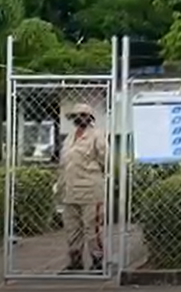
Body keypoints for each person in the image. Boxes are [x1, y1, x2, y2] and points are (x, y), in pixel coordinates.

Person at [57, 103, 107, 273]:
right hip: (70, 190)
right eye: (76, 116)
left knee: (91, 227)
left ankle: (98, 260)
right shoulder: (69, 138)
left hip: (89, 190)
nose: (80, 119)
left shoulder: (96, 136)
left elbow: (105, 160)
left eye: (83, 115)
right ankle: (75, 260)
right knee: (72, 228)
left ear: (90, 117)